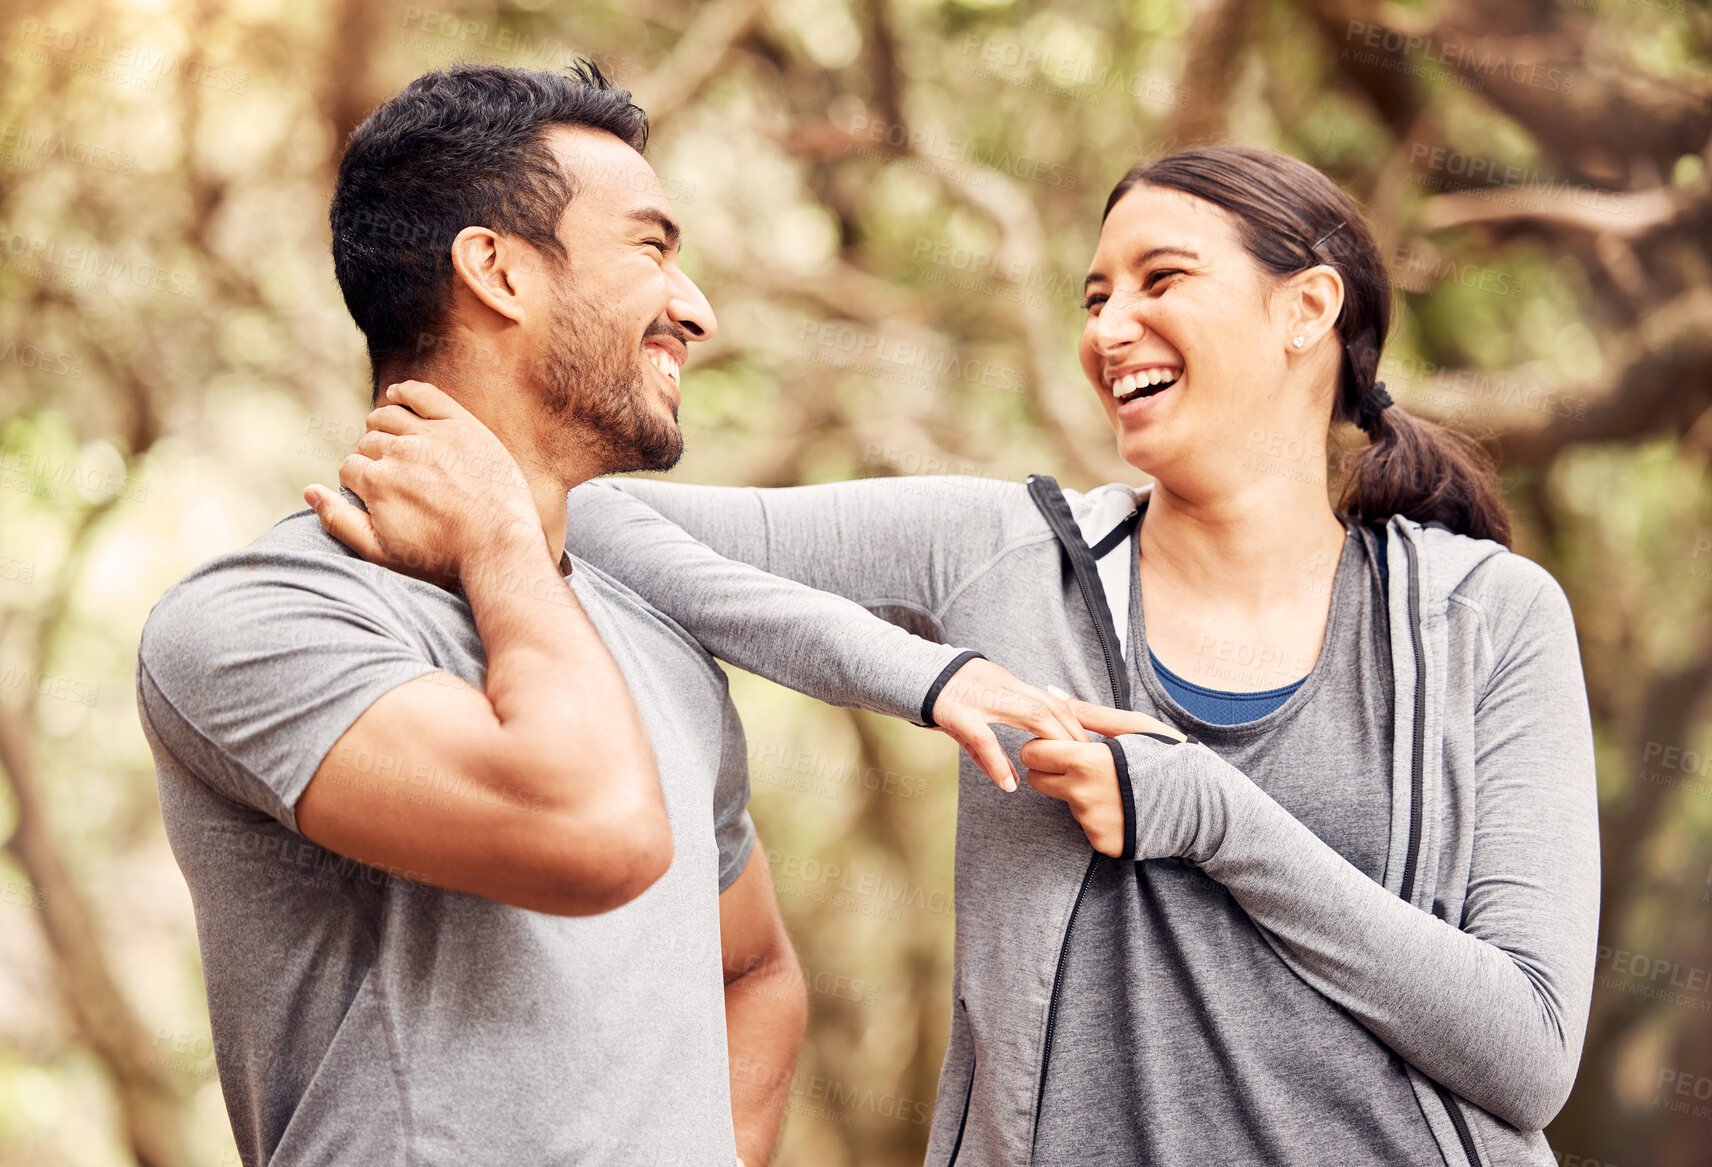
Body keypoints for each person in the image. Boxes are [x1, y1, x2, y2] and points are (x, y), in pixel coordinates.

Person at [551, 146, 1600, 1166]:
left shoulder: (1485, 616)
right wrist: (933, 680)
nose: (1109, 328)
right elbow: (596, 518)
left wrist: (1211, 817)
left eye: (1161, 279)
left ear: (1306, 309)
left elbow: (1528, 1054)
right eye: (1093, 299)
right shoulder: (1001, 554)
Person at [136, 62, 1085, 1167]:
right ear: (493, 269)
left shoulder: (654, 638)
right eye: (650, 248)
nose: (695, 310)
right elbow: (593, 837)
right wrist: (498, 540)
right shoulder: (262, 619)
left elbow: (756, 973)